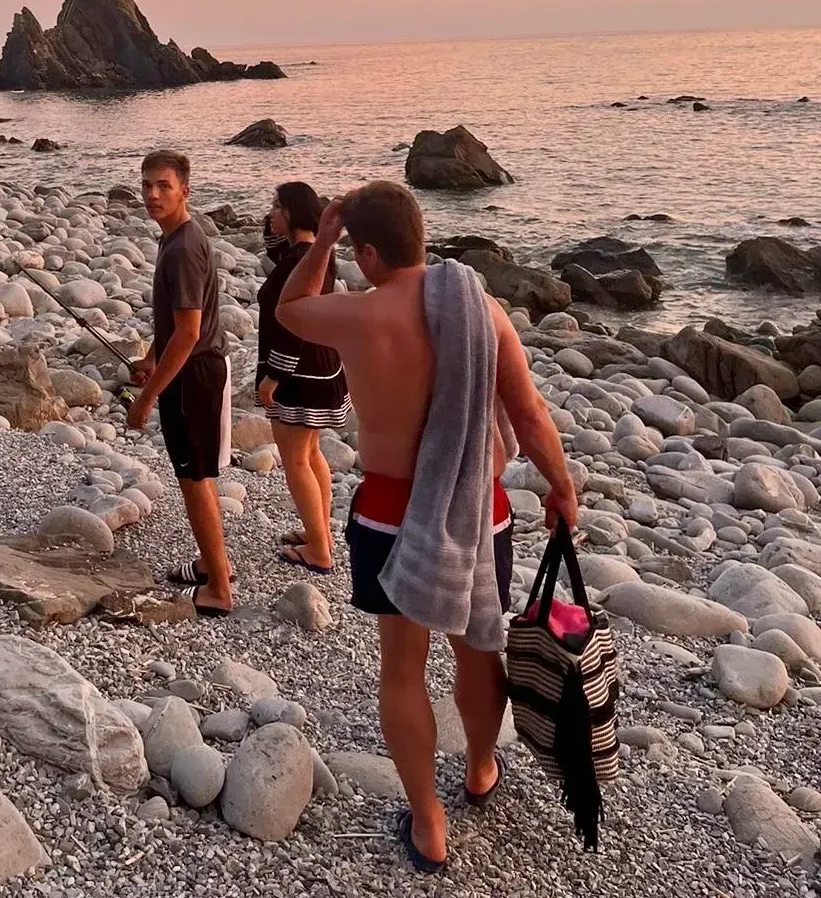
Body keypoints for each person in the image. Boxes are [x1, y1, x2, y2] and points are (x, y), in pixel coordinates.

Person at [277, 180, 578, 872]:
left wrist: (319, 239)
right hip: (479, 506)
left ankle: (429, 821)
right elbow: (529, 414)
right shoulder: (484, 311)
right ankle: (478, 767)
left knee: (402, 670)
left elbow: (290, 305)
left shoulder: (358, 314)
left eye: (355, 250)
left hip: (389, 510)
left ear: (368, 251)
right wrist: (561, 487)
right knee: (477, 647)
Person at [126, 150, 234, 617]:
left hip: (195, 377)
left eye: (163, 185)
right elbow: (173, 325)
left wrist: (146, 399)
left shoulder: (185, 246)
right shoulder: (174, 238)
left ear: (185, 190)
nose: (152, 194)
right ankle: (216, 566)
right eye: (147, 184)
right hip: (190, 371)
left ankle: (219, 592)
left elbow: (189, 332)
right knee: (198, 475)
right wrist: (152, 358)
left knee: (194, 478)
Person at [256, 182, 351, 574]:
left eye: (277, 207)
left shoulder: (302, 259)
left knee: (296, 460)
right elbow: (274, 247)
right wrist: (276, 221)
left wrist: (273, 376)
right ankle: (320, 535)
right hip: (324, 367)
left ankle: (319, 550)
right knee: (311, 455)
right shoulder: (316, 253)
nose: (272, 212)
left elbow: (292, 326)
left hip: (300, 372)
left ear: (293, 213)